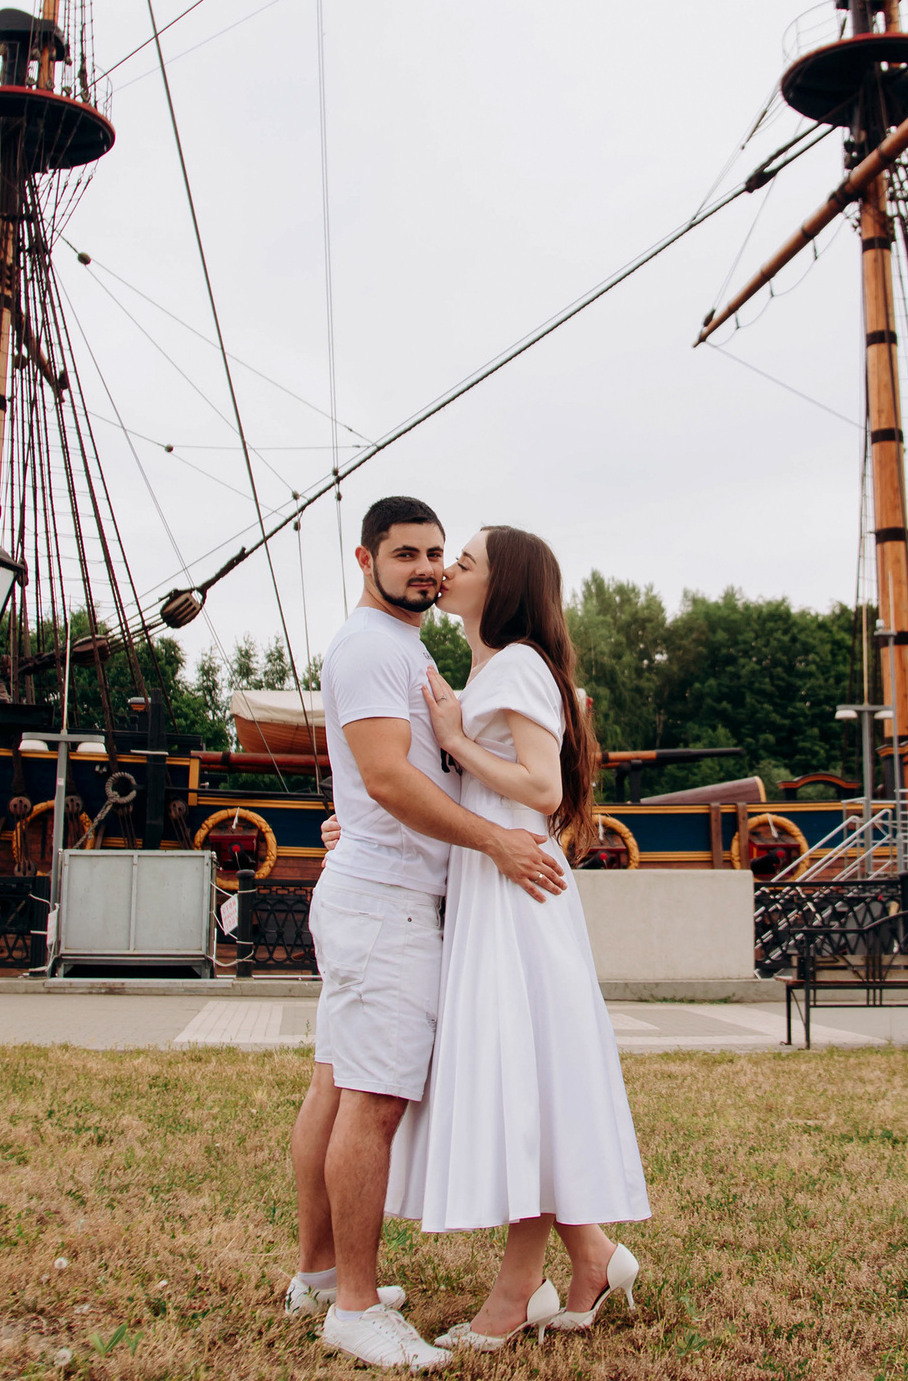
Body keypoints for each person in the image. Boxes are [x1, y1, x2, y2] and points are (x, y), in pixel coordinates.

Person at [285, 497, 569, 1373]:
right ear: (365, 557)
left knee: (338, 1084)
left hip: (379, 895)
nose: (425, 567)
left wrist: (352, 822)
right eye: (406, 552)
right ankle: (358, 1308)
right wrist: (498, 844)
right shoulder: (373, 647)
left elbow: (382, 780)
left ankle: (321, 1276)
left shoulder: (410, 650)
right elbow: (386, 778)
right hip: (388, 907)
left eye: (437, 553)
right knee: (371, 1101)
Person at [387, 525, 649, 1350]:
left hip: (516, 892)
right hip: (495, 884)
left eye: (464, 561)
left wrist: (457, 738)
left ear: (501, 586)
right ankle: (593, 1256)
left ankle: (516, 1291)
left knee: (522, 1079)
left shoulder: (516, 666)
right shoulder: (491, 666)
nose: (447, 570)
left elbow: (539, 783)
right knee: (526, 1078)